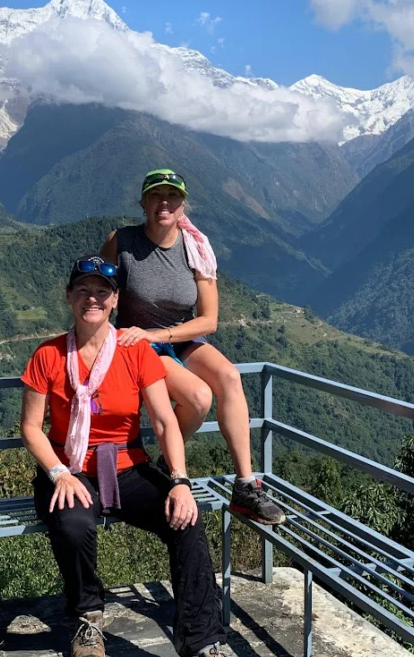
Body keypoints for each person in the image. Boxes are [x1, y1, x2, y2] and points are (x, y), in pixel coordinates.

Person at [20, 254, 251, 657]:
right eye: (83, 290)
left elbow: (165, 421)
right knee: (73, 525)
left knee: (187, 521)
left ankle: (202, 652)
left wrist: (180, 481)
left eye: (101, 292)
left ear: (114, 301)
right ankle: (87, 616)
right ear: (70, 298)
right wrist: (59, 472)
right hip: (69, 469)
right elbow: (30, 427)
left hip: (127, 466)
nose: (93, 298)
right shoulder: (48, 354)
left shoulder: (135, 351)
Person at [100, 169, 285, 526]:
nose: (164, 203)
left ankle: (245, 485)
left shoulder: (196, 247)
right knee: (199, 398)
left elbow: (209, 320)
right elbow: (98, 290)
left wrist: (160, 335)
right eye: (156, 196)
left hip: (176, 338)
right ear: (143, 204)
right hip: (136, 345)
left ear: (183, 205)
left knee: (230, 376)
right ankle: (168, 462)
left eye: (172, 197)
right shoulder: (121, 241)